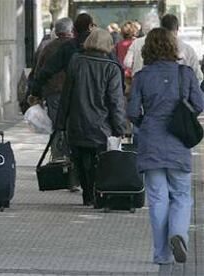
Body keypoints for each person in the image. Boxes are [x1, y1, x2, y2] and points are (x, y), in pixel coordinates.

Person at [127, 28, 204, 265]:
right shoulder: (186, 73)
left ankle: (162, 254)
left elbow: (132, 112)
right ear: (173, 46)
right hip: (178, 141)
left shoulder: (142, 76)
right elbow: (199, 104)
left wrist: (146, 121)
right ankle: (179, 233)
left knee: (158, 198)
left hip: (150, 141)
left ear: (147, 48)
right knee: (181, 194)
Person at [58, 28, 126, 206]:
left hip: (77, 122)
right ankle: (98, 194)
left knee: (80, 160)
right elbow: (115, 102)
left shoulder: (76, 61)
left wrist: (60, 123)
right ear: (108, 45)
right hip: (101, 126)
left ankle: (87, 195)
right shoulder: (111, 68)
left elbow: (66, 94)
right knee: (100, 162)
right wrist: (120, 128)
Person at [33, 17, 73, 159]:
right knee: (71, 125)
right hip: (72, 93)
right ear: (70, 30)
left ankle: (57, 157)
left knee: (56, 126)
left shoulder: (48, 47)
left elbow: (39, 71)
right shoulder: (75, 46)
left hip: (53, 92)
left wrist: (36, 93)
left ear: (56, 31)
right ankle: (70, 157)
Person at [124, 14, 203, 83]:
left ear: (160, 28)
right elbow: (198, 76)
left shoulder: (154, 47)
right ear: (177, 28)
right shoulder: (188, 50)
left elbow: (127, 63)